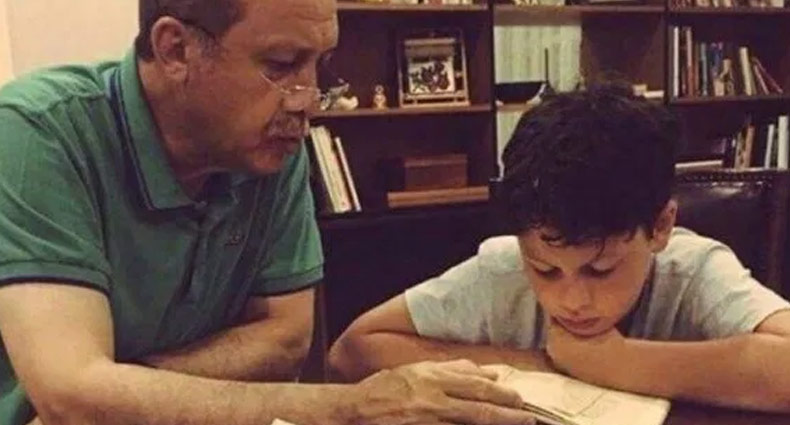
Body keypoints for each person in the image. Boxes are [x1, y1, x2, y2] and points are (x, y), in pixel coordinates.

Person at [0, 1, 539, 424]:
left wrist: (116, 394)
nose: (308, 99)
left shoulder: (266, 146)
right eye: (281, 66)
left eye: (320, 64)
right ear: (175, 49)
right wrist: (349, 406)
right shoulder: (38, 132)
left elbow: (285, 338)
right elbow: (68, 393)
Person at [329, 83, 790, 412]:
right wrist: (537, 364)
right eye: (545, 271)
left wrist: (615, 362)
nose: (572, 300)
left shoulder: (693, 269)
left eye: (600, 269)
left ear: (660, 226)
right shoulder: (502, 270)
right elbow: (352, 352)